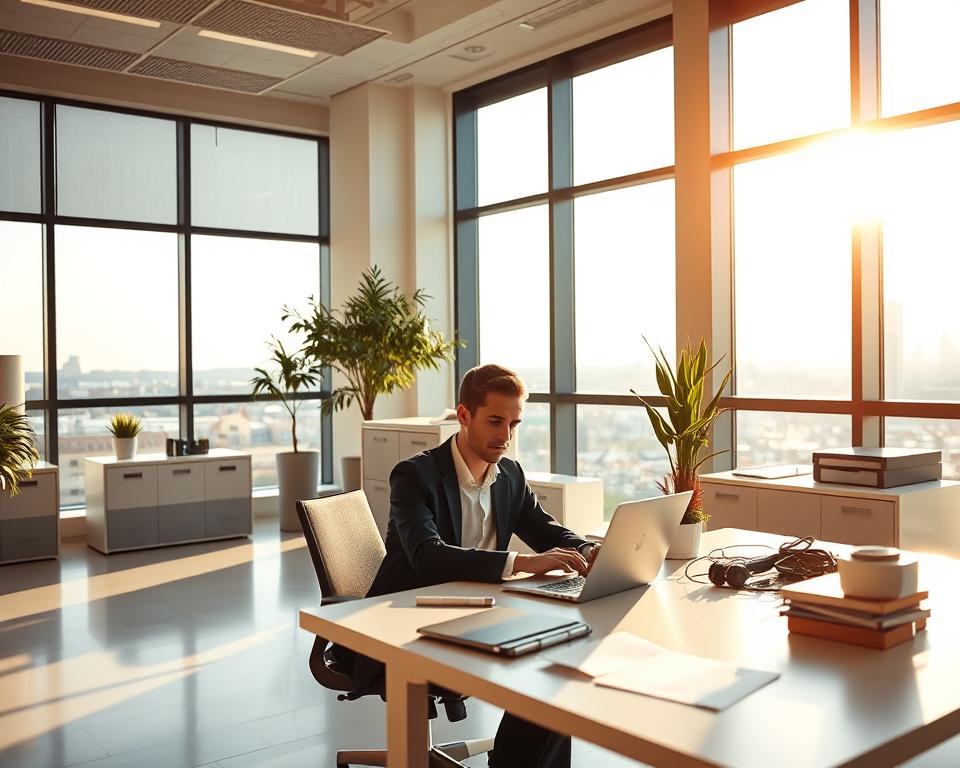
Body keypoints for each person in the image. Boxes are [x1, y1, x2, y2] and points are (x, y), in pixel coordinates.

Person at [344, 363, 599, 768]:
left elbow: (544, 528)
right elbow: (428, 556)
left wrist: (587, 551)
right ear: (463, 416)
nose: (506, 436)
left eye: (514, 423)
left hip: (479, 614)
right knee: (541, 673)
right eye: (495, 421)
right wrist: (523, 563)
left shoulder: (510, 474)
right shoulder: (414, 476)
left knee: (557, 666)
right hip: (408, 624)